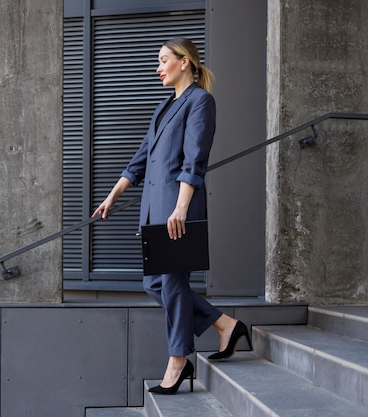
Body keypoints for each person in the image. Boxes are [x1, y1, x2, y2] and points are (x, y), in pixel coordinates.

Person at [92, 37, 251, 395]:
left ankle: (178, 361)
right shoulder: (165, 106)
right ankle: (224, 324)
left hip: (179, 207)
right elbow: (141, 156)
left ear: (185, 62)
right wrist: (112, 195)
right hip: (155, 208)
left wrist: (181, 207)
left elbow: (195, 158)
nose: (158, 67)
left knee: (174, 284)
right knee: (155, 284)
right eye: (158, 61)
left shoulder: (200, 102)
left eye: (164, 60)